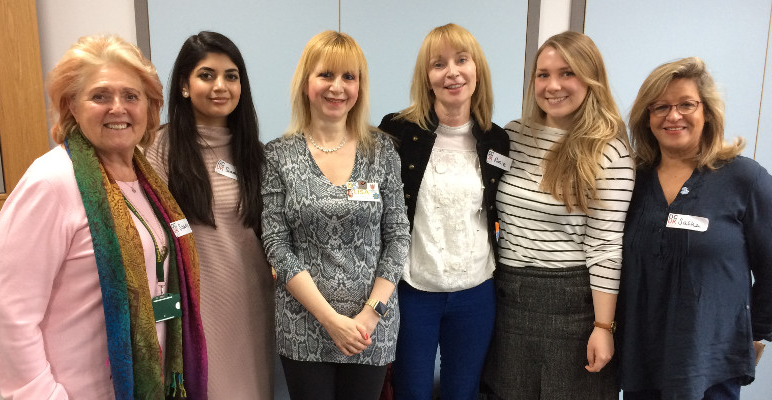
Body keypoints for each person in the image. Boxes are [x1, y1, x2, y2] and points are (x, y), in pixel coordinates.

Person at [0, 35, 207, 400]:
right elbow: (10, 313)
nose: (118, 108)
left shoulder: (147, 181)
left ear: (150, 108)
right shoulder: (52, 182)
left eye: (131, 96)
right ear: (71, 105)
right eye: (100, 96)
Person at [483, 31, 634, 399]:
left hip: (571, 307)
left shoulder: (609, 152)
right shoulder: (513, 135)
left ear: (590, 78)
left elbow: (605, 247)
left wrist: (603, 326)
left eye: (567, 73)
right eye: (543, 74)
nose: (553, 85)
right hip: (507, 298)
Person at [260, 30, 410, 400]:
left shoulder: (383, 152)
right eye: (326, 75)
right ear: (306, 82)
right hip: (304, 325)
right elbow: (276, 244)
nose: (337, 87)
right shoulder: (277, 155)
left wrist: (371, 313)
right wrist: (331, 321)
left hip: (369, 327)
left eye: (349, 77)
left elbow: (398, 237)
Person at [617, 57, 772, 400]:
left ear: (707, 112)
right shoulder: (629, 180)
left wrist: (755, 333)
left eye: (686, 104)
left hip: (711, 365)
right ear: (647, 117)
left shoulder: (745, 179)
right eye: (660, 107)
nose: (673, 116)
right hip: (642, 359)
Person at [377, 23, 509, 400]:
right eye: (439, 64)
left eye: (461, 60)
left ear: (476, 69)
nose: (452, 72)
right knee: (412, 391)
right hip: (415, 288)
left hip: (476, 292)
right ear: (427, 78)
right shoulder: (398, 132)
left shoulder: (495, 140)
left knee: (462, 392)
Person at [144, 31, 274, 399]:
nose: (221, 86)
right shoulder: (159, 150)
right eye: (207, 75)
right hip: (196, 306)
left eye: (231, 76)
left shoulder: (256, 153)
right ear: (185, 85)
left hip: (253, 302)